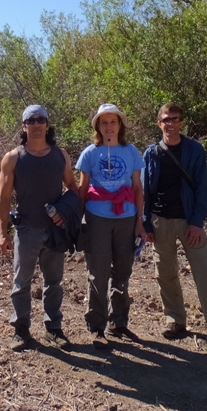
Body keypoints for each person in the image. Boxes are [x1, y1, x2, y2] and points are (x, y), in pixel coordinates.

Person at [142, 103, 207, 347]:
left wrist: (197, 222)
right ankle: (174, 319)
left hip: (188, 221)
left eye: (175, 119)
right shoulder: (151, 153)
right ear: (159, 123)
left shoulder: (194, 150)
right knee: (165, 273)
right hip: (160, 220)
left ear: (182, 122)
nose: (170, 124)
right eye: (166, 119)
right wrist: (146, 223)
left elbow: (204, 188)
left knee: (204, 272)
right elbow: (145, 191)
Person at [0, 104, 79, 351]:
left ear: (47, 124)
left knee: (53, 282)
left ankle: (53, 328)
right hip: (27, 230)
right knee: (21, 283)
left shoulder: (60, 155)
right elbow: (2, 197)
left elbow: (73, 189)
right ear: (24, 126)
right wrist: (3, 232)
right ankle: (21, 330)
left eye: (40, 119)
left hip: (55, 232)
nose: (36, 124)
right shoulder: (13, 158)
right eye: (30, 121)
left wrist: (63, 214)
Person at [76, 103, 147, 349]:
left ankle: (119, 322)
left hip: (126, 218)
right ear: (98, 126)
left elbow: (138, 188)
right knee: (98, 272)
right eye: (104, 122)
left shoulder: (131, 152)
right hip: (97, 218)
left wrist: (140, 221)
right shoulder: (89, 153)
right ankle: (97, 326)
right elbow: (82, 189)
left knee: (123, 271)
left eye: (113, 122)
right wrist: (78, 219)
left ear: (120, 125)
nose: (109, 126)